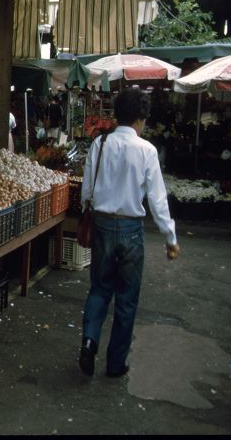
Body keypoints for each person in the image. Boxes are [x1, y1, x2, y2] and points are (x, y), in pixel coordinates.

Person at [78, 87, 180, 378]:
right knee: (126, 298)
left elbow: (87, 189)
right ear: (140, 118)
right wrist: (170, 239)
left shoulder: (100, 144)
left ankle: (89, 340)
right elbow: (158, 200)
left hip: (102, 224)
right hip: (131, 231)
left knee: (99, 288)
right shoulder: (147, 150)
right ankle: (115, 363)